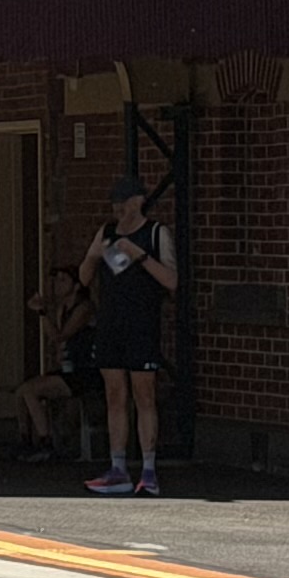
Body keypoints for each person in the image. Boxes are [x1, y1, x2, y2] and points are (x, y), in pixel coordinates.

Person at [80, 188, 178, 498]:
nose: (118, 208)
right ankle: (117, 468)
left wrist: (139, 255)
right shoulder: (107, 231)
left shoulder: (156, 233)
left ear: (138, 202)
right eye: (114, 202)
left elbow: (171, 280)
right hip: (111, 323)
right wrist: (94, 255)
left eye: (123, 202)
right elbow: (83, 278)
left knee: (144, 394)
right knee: (114, 394)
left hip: (142, 325)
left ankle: (148, 471)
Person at [13, 265, 94, 462]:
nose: (57, 284)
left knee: (31, 391)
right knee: (21, 391)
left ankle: (46, 442)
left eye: (63, 280)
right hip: (69, 368)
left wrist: (42, 313)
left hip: (86, 370)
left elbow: (61, 335)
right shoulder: (61, 309)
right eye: (56, 280)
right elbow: (57, 341)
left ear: (76, 286)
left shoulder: (84, 308)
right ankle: (25, 439)